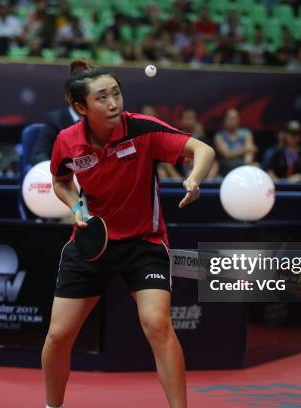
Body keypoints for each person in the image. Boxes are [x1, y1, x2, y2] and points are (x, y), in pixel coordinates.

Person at [42, 60, 215, 408]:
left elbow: (203, 150)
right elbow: (61, 181)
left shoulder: (141, 129)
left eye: (116, 94)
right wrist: (77, 208)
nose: (113, 103)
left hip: (144, 243)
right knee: (58, 336)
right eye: (102, 97)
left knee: (157, 324)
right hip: (93, 244)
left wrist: (195, 178)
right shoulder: (67, 142)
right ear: (80, 108)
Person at [213, 108, 257, 175]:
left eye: (235, 118)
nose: (233, 121)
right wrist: (245, 149)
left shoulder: (246, 133)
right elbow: (227, 154)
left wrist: (246, 163)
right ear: (225, 120)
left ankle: (246, 171)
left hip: (243, 164)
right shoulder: (219, 136)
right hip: (226, 166)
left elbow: (250, 151)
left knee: (253, 161)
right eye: (230, 118)